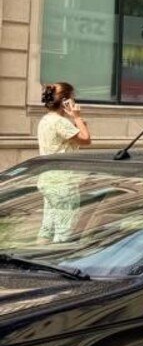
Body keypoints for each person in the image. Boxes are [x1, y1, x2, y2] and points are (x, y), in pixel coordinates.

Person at [36, 82, 92, 243]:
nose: (74, 102)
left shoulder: (45, 120)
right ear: (65, 101)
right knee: (64, 230)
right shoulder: (59, 121)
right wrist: (77, 117)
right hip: (63, 182)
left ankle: (37, 254)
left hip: (47, 179)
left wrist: (77, 122)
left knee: (47, 228)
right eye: (73, 98)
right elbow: (86, 139)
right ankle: (58, 256)